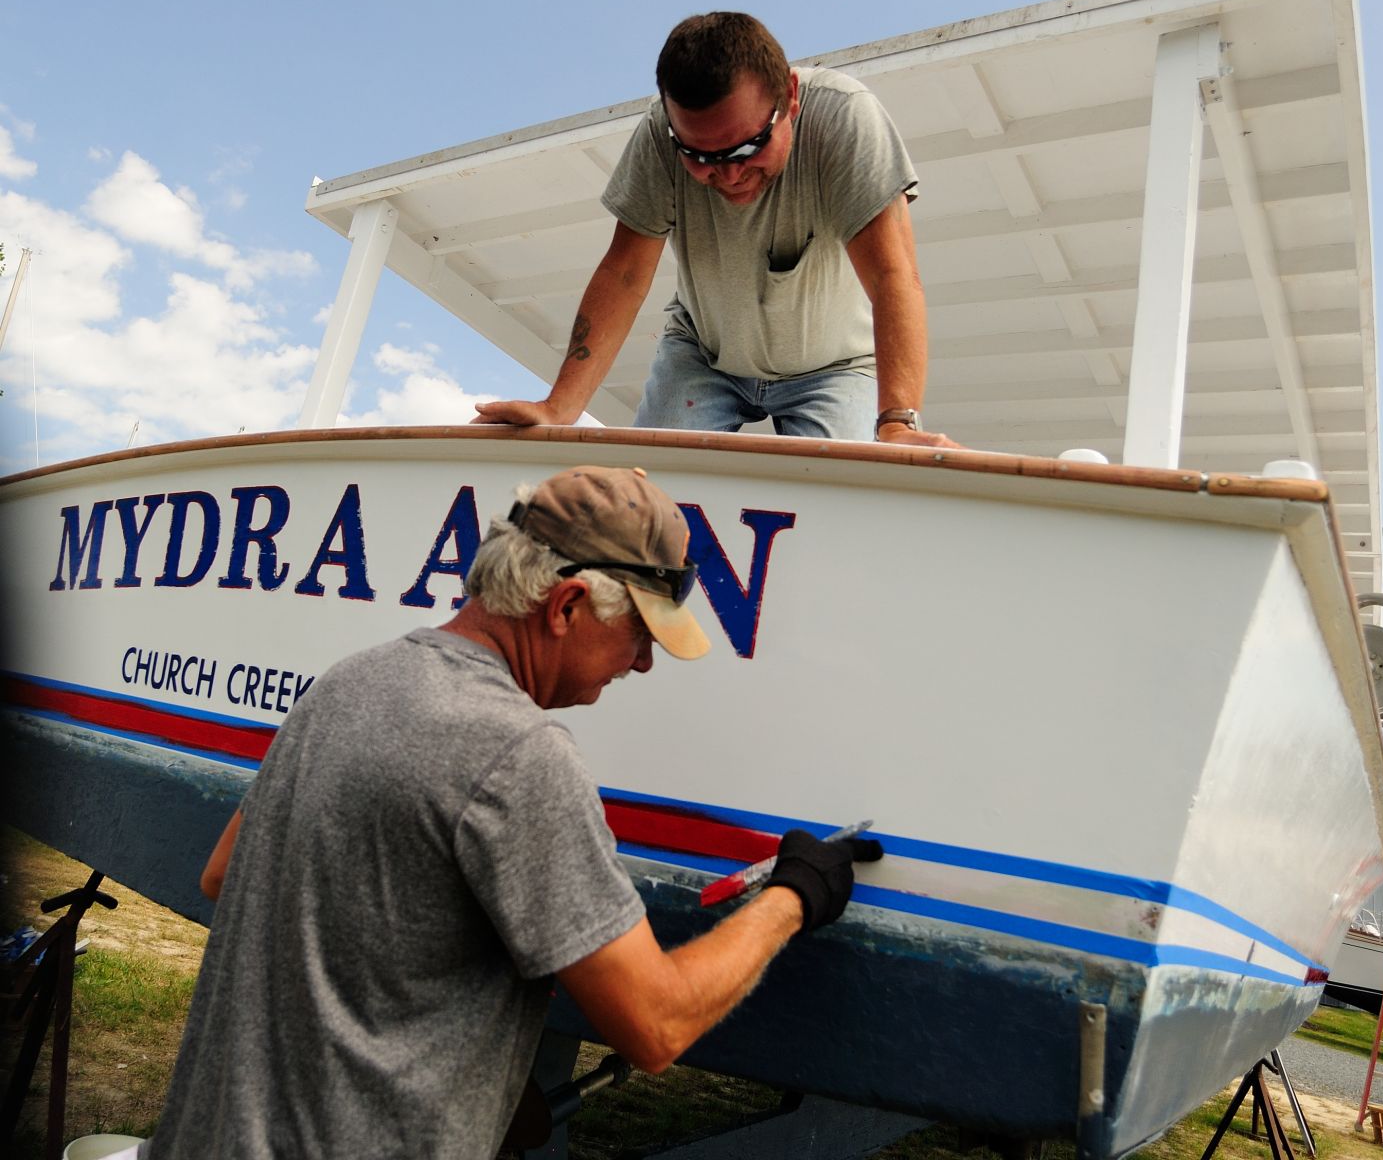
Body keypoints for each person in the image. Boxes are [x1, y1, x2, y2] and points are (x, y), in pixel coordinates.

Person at [139, 465, 882, 1160]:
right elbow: (656, 1026)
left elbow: (225, 875)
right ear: (566, 606)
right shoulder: (518, 752)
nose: (644, 664)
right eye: (640, 637)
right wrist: (794, 895)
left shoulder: (348, 681)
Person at [473, 12, 958, 449]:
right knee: (649, 498)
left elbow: (893, 276)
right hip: (703, 356)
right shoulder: (658, 134)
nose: (727, 175)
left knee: (843, 501)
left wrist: (897, 423)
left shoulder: (845, 118)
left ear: (789, 98)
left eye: (746, 150)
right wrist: (559, 407)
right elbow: (623, 272)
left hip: (837, 367)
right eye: (700, 158)